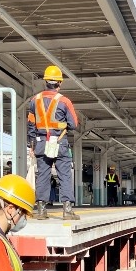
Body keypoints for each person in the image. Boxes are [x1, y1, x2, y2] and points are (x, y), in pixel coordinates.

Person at [27, 65, 79, 221]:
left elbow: (31, 125)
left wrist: (32, 145)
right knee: (64, 175)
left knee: (42, 174)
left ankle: (41, 210)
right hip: (59, 141)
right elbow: (74, 124)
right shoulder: (65, 102)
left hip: (41, 142)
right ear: (59, 83)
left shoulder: (34, 101)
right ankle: (67, 210)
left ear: (45, 82)